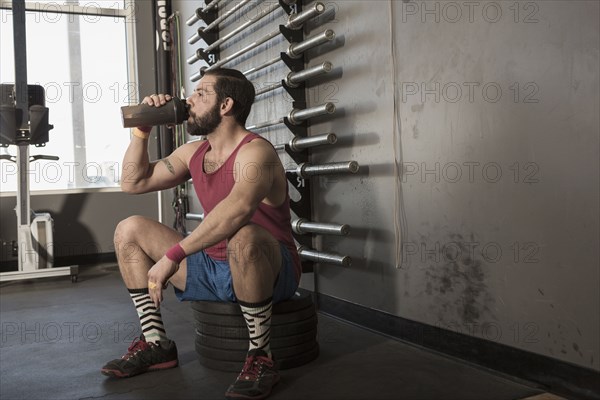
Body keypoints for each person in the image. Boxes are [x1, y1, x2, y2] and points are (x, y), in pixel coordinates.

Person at [101, 68, 301, 400]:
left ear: (225, 105)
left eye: (200, 94)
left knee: (243, 235)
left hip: (269, 267)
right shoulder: (193, 153)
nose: (188, 101)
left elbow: (236, 210)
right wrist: (141, 130)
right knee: (129, 229)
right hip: (212, 266)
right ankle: (156, 343)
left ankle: (261, 357)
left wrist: (172, 256)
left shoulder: (256, 153)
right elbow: (132, 183)